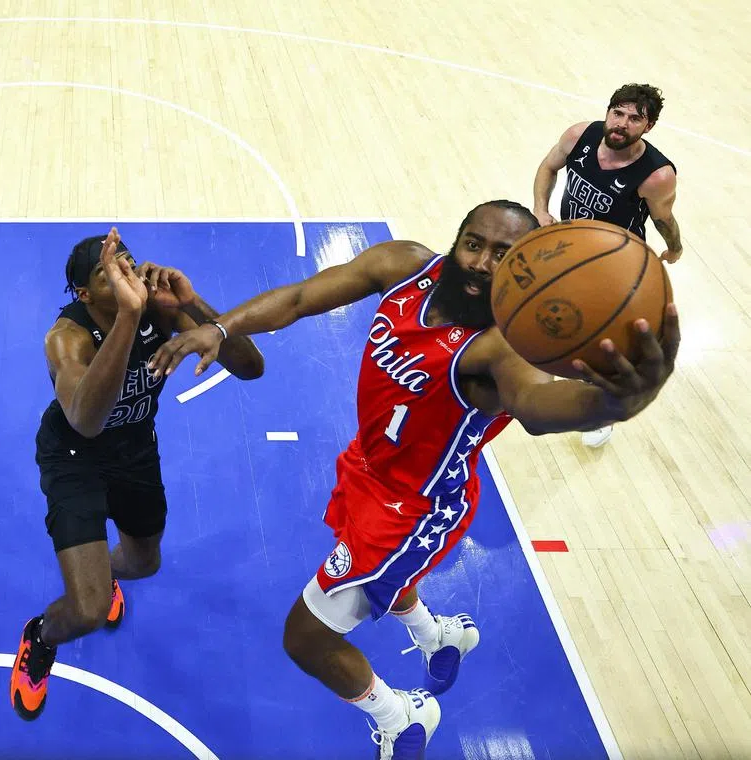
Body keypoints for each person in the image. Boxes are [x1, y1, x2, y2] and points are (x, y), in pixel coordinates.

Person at [148, 200, 678, 758]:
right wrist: (220, 326)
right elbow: (302, 297)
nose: (481, 263)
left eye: (503, 256)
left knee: (305, 638)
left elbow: (538, 407)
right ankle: (439, 635)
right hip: (370, 465)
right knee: (386, 581)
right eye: (473, 244)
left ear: (523, 271)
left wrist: (619, 402)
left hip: (416, 508)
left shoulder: (500, 348)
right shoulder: (403, 265)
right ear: (456, 240)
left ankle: (401, 716)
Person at [10, 227, 265, 721]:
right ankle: (40, 637)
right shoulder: (66, 337)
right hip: (74, 455)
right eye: (107, 271)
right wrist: (129, 316)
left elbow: (250, 365)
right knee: (87, 610)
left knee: (145, 563)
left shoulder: (160, 309)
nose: (124, 272)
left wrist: (192, 303)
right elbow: (86, 421)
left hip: (134, 449)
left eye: (127, 261)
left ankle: (99, 575)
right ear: (85, 294)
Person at [532, 82, 681, 448]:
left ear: (648, 126)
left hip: (615, 266)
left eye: (635, 119)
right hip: (568, 247)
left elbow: (663, 218)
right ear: (608, 112)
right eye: (618, 113)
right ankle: (541, 362)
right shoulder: (579, 136)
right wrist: (540, 209)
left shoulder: (657, 175)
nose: (622, 124)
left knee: (606, 343)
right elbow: (548, 167)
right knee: (550, 311)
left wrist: (675, 247)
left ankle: (601, 411)